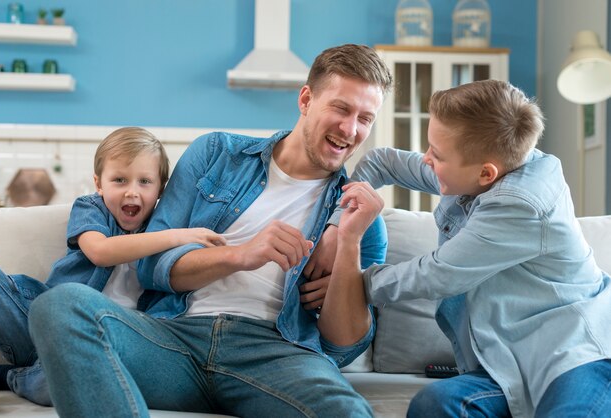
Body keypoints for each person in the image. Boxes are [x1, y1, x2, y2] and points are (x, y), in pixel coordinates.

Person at [27, 43, 392, 418]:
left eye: (365, 118)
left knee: (346, 412)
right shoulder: (217, 154)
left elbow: (343, 345)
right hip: (173, 340)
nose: (350, 129)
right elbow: (151, 267)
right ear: (305, 99)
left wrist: (347, 240)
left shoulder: (361, 219)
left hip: (276, 354)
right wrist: (241, 255)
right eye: (341, 108)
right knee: (60, 305)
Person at [326, 79, 611, 417]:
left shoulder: (520, 204)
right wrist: (335, 224)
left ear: (486, 173)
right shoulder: (479, 168)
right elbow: (383, 161)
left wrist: (350, 282)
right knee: (435, 405)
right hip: (509, 363)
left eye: (437, 154)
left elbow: (438, 274)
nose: (427, 160)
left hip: (579, 355)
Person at [0, 127, 225, 407]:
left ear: (162, 187)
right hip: (34, 318)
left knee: (73, 381)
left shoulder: (170, 226)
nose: (132, 192)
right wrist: (178, 236)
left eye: (145, 181)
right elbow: (99, 252)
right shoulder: (92, 208)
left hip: (87, 345)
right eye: (120, 180)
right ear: (99, 184)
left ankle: (8, 377)